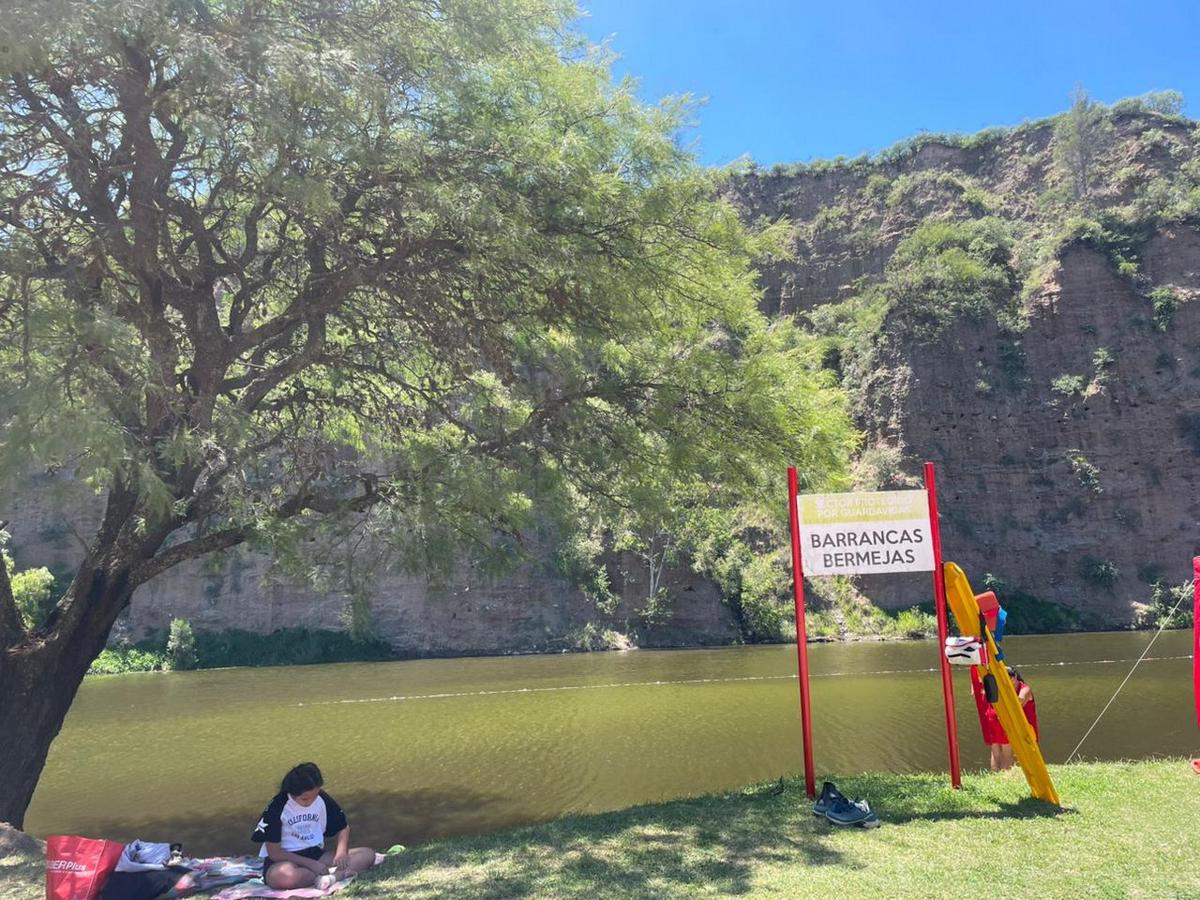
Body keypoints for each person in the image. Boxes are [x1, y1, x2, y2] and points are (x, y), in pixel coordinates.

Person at [251, 762, 376, 890]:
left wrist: (341, 852)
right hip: (285, 859)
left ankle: (331, 877)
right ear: (293, 793)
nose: (310, 802)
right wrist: (310, 864)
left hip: (315, 854)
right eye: (305, 799)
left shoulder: (321, 798)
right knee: (283, 877)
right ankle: (334, 874)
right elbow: (275, 853)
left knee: (367, 854)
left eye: (314, 796)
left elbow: (343, 826)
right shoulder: (278, 806)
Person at [970, 666, 1038, 772]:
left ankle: (998, 773)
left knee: (996, 749)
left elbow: (1020, 700)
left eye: (1006, 679)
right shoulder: (1004, 688)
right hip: (1000, 719)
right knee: (1004, 750)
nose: (1004, 682)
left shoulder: (1024, 688)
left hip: (1008, 720)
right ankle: (1003, 774)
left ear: (1014, 677)